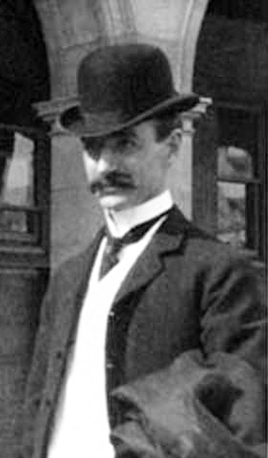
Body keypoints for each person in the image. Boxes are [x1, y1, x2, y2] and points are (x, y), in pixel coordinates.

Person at [22, 43, 266, 458]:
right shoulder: (67, 277)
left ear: (171, 145)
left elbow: (246, 426)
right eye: (93, 148)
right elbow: (39, 408)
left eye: (125, 144)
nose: (104, 166)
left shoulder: (217, 273)